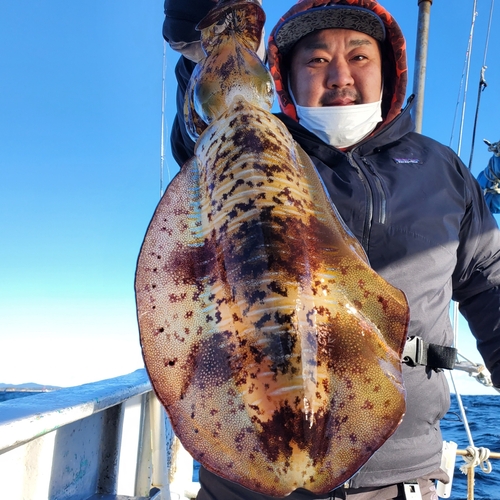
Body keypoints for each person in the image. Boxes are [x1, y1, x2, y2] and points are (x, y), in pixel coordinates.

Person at [162, 0, 500, 498]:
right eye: (316, 60)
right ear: (285, 78)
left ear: (389, 71)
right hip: (248, 463)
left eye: (360, 56)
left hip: (397, 473)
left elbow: (491, 287)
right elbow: (201, 123)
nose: (340, 76)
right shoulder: (249, 150)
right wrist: (201, 41)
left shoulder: (441, 170)